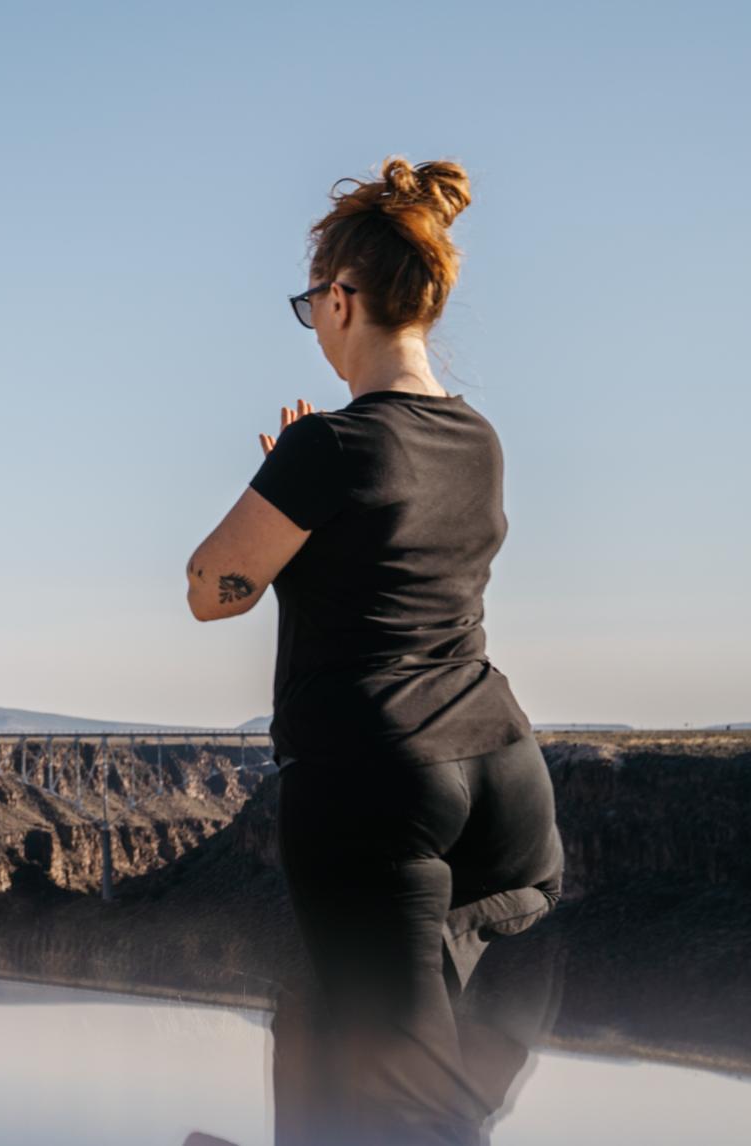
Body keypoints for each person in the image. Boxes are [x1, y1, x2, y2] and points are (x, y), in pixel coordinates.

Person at [184, 158, 563, 1145]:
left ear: (344, 300)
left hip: (376, 789)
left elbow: (210, 589)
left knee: (396, 1113)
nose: (314, 322)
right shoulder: (478, 438)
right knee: (364, 1070)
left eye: (314, 302)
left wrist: (283, 480)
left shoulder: (328, 450)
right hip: (506, 789)